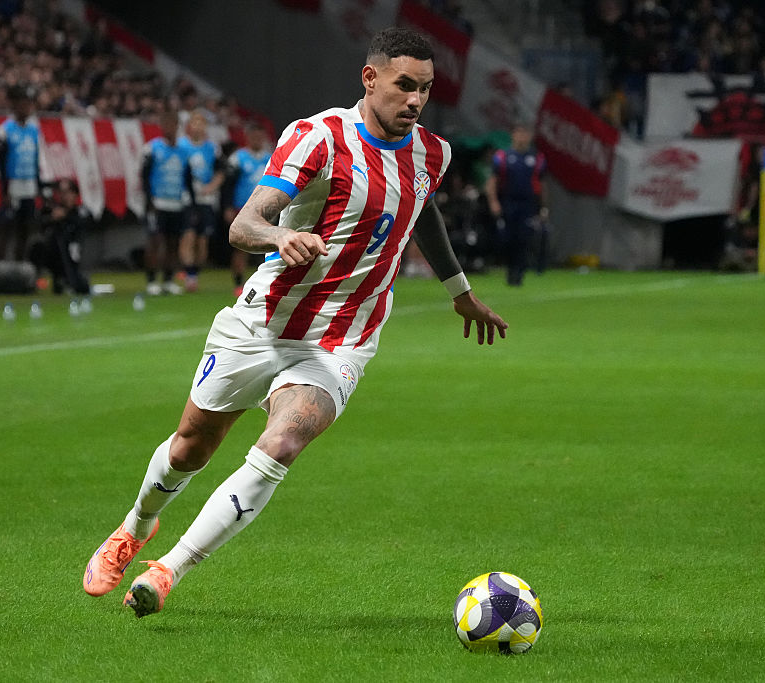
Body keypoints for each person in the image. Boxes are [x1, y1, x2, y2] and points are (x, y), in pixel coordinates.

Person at [81, 26, 508, 619]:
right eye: (404, 86)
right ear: (370, 78)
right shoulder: (318, 138)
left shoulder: (432, 153)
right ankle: (136, 526)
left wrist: (458, 291)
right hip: (264, 322)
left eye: (426, 90)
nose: (415, 101)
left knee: (283, 441)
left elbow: (421, 208)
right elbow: (243, 224)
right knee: (190, 449)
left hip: (342, 340)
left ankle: (167, 571)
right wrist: (282, 234)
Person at [485, 123, 548, 286]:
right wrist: (493, 201)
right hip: (508, 202)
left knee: (524, 239)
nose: (522, 137)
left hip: (527, 205)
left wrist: (543, 207)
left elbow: (542, 184)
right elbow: (493, 180)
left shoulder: (537, 158)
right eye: (519, 133)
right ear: (513, 135)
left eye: (525, 133)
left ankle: (519, 273)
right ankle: (509, 269)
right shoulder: (503, 156)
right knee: (507, 238)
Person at [141, 109, 192, 296]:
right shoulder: (152, 148)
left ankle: (169, 280)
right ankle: (152, 280)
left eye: (172, 124)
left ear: (177, 127)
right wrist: (149, 201)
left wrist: (190, 203)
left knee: (173, 243)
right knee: (154, 241)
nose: (169, 128)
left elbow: (188, 179)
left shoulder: (183, 152)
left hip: (176, 203)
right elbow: (144, 177)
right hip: (158, 203)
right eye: (166, 124)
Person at [224, 120, 274, 297]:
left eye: (260, 136)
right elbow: (228, 185)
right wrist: (228, 206)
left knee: (268, 245)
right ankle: (238, 282)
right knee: (241, 247)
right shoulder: (238, 158)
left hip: (267, 209)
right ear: (247, 137)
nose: (257, 139)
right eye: (254, 136)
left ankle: (264, 282)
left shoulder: (271, 157)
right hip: (242, 208)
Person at [178, 111, 225, 292]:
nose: (198, 126)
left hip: (206, 198)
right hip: (187, 198)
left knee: (203, 240)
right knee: (188, 235)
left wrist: (211, 187)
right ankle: (189, 276)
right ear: (189, 126)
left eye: (201, 122)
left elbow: (221, 172)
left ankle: (194, 272)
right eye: (194, 122)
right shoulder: (181, 146)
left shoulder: (212, 148)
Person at [0, 86, 41, 261]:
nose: (27, 108)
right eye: (23, 104)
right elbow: (1, 162)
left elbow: (36, 159)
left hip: (28, 184)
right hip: (12, 185)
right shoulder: (5, 130)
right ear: (15, 105)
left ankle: (20, 266)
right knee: (5, 227)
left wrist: (38, 185)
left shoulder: (34, 129)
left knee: (25, 228)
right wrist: (4, 190)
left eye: (29, 104)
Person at [29, 179, 92, 296]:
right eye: (61, 193)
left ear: (75, 194)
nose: (64, 196)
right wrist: (52, 218)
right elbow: (38, 223)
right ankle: (35, 280)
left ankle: (70, 281)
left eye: (67, 192)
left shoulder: (81, 210)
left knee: (81, 284)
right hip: (54, 256)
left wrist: (66, 216)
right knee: (38, 246)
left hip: (73, 254)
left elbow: (83, 223)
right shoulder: (53, 210)